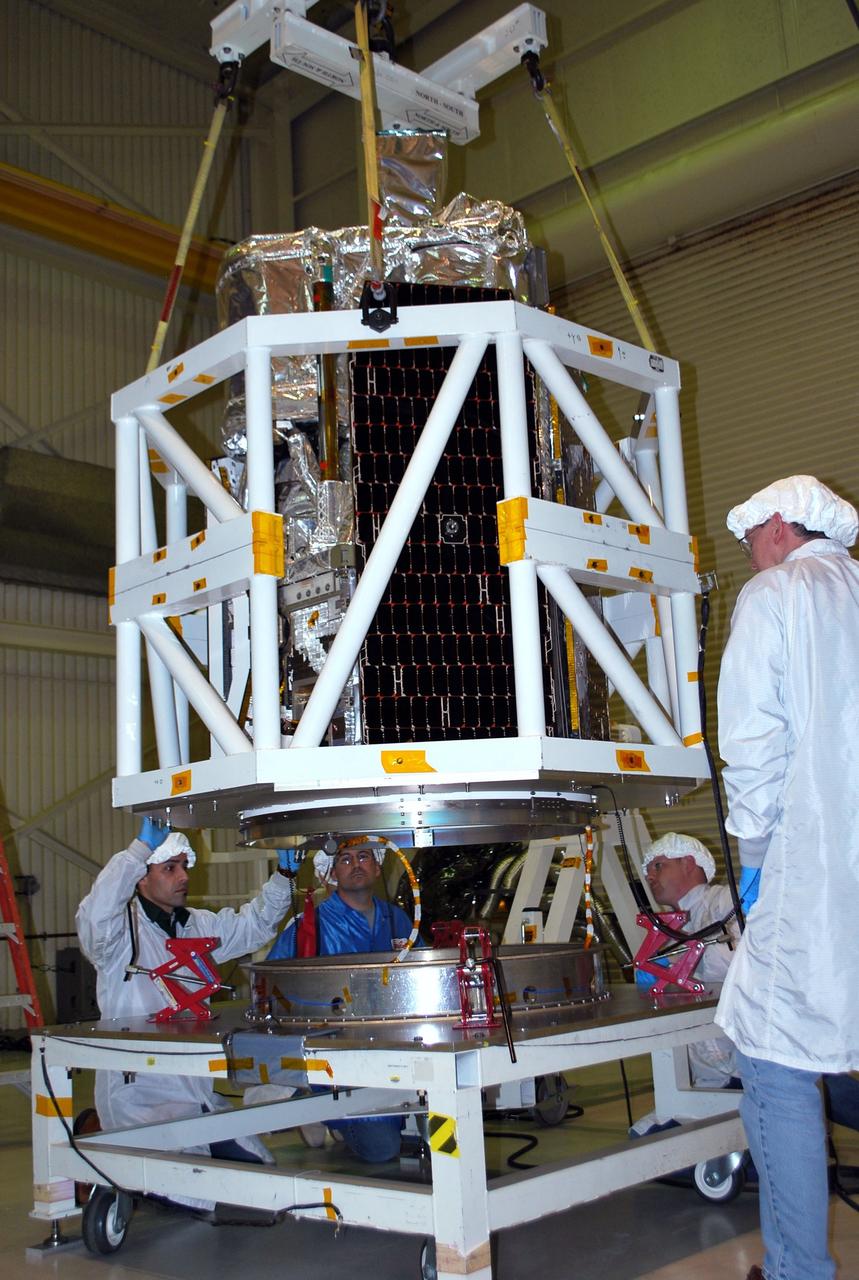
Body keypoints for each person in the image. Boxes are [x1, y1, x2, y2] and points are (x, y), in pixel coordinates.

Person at [716, 475, 859, 1280]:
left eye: (747, 541)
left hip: (808, 874)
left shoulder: (779, 593)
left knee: (774, 1066)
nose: (746, 558)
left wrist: (752, 863)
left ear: (777, 525)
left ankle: (798, 1271)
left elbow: (751, 743)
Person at [76, 820, 296, 1212]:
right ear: (141, 879)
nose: (183, 876)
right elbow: (95, 916)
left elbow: (252, 926)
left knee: (262, 1173)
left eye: (184, 866)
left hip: (194, 1092)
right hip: (139, 1093)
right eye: (170, 868)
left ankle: (120, 1154)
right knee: (201, 1197)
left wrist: (283, 877)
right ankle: (105, 1141)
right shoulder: (118, 934)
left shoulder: (196, 925)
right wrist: (138, 849)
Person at [266, 836, 416, 1161]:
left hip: (394, 1048)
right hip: (333, 1059)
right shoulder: (310, 926)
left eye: (364, 856)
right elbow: (272, 987)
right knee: (382, 1149)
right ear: (330, 873)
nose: (356, 865)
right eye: (346, 860)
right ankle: (309, 1104)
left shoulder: (399, 919)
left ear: (377, 867)